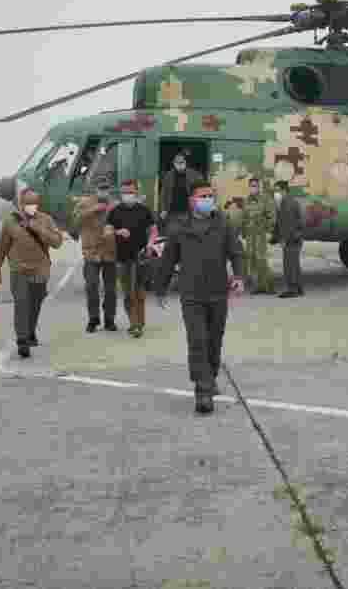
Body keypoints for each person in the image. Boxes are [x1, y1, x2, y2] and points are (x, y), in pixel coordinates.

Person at [155, 179, 244, 414]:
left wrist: (238, 276)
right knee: (198, 341)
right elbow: (168, 260)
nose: (208, 200)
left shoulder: (223, 224)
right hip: (191, 294)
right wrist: (160, 287)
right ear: (192, 201)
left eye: (210, 196)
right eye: (203, 196)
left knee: (214, 341)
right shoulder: (179, 227)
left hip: (217, 293)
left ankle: (210, 375)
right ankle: (203, 391)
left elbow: (235, 252)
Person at [0, 188, 65, 358]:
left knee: (36, 303)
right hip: (19, 271)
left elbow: (57, 242)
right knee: (21, 304)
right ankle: (22, 340)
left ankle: (30, 330)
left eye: (34, 203)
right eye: (28, 203)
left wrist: (38, 228)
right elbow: (0, 249)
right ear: (21, 204)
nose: (32, 206)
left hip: (41, 270)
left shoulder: (46, 220)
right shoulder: (10, 222)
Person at [106, 179, 159, 338]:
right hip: (122, 258)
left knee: (139, 291)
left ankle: (138, 323)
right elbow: (107, 230)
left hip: (141, 257)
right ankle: (133, 322)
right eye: (124, 192)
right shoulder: (115, 211)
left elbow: (154, 230)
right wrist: (117, 232)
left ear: (136, 192)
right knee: (128, 292)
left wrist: (150, 244)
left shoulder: (144, 210)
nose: (127, 195)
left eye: (130, 192)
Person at [77, 181, 118, 332]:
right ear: (96, 190)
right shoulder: (85, 203)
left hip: (109, 253)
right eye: (101, 188)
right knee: (91, 286)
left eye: (106, 188)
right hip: (91, 253)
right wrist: (93, 209)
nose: (104, 191)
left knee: (110, 290)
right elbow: (76, 220)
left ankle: (109, 319)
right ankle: (93, 319)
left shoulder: (114, 204)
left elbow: (122, 223)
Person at [239, 177, 276, 294]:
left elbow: (272, 216)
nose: (253, 188)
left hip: (261, 234)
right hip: (250, 235)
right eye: (251, 186)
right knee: (252, 260)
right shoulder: (246, 201)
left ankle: (268, 286)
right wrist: (243, 234)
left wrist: (269, 231)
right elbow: (244, 218)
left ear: (259, 187)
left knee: (262, 259)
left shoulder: (266, 199)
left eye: (255, 185)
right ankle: (257, 286)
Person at [271, 180, 304, 298]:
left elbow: (289, 225)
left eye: (277, 190)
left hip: (292, 239)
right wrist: (275, 237)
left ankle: (292, 289)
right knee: (294, 264)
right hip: (294, 238)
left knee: (289, 265)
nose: (275, 193)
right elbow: (280, 223)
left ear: (284, 191)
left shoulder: (288, 204)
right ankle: (298, 288)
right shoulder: (285, 202)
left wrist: (285, 239)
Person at [160, 152, 202, 236]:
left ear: (185, 163)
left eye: (182, 162)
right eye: (177, 162)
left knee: (187, 235)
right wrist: (164, 209)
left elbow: (200, 190)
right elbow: (164, 193)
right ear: (174, 163)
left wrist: (199, 207)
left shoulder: (194, 174)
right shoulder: (168, 175)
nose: (179, 164)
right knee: (173, 235)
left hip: (189, 212)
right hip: (172, 212)